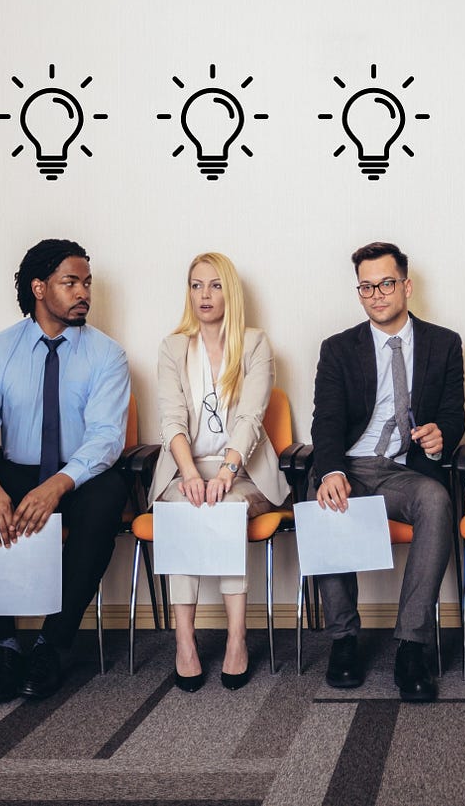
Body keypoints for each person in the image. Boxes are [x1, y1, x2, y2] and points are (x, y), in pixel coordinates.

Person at [0, 239, 130, 705]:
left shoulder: (107, 355)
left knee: (108, 497)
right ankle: (2, 645)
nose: (83, 292)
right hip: (14, 469)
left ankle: (50, 645)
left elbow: (105, 438)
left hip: (75, 475)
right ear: (39, 288)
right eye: (71, 282)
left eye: (87, 283)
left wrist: (58, 485)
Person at [309, 241, 464, 703]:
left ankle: (411, 647)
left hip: (402, 469)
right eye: (366, 287)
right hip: (351, 466)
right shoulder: (338, 349)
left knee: (437, 500)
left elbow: (454, 415)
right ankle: (343, 640)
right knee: (326, 502)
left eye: (386, 283)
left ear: (406, 286)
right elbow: (327, 420)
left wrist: (443, 436)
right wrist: (331, 470)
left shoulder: (444, 343)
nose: (376, 294)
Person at [147, 252, 290, 692]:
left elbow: (251, 415)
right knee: (187, 510)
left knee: (223, 508)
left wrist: (226, 472)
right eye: (196, 285)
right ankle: (185, 640)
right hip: (184, 470)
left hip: (244, 473)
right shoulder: (172, 348)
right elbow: (171, 421)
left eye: (214, 285)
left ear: (231, 291)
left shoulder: (254, 343)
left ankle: (236, 637)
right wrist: (190, 475)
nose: (204, 295)